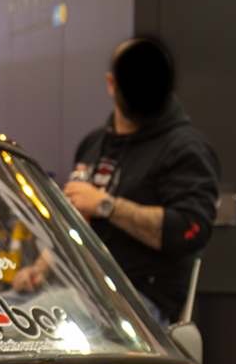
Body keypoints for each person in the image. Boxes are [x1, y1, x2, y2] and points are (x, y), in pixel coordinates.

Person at [48, 36, 222, 321]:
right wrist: (41, 269)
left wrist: (106, 205)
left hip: (137, 303)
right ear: (111, 84)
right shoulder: (93, 144)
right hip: (78, 288)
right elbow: (77, 225)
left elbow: (189, 228)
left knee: (13, 328)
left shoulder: (186, 149)